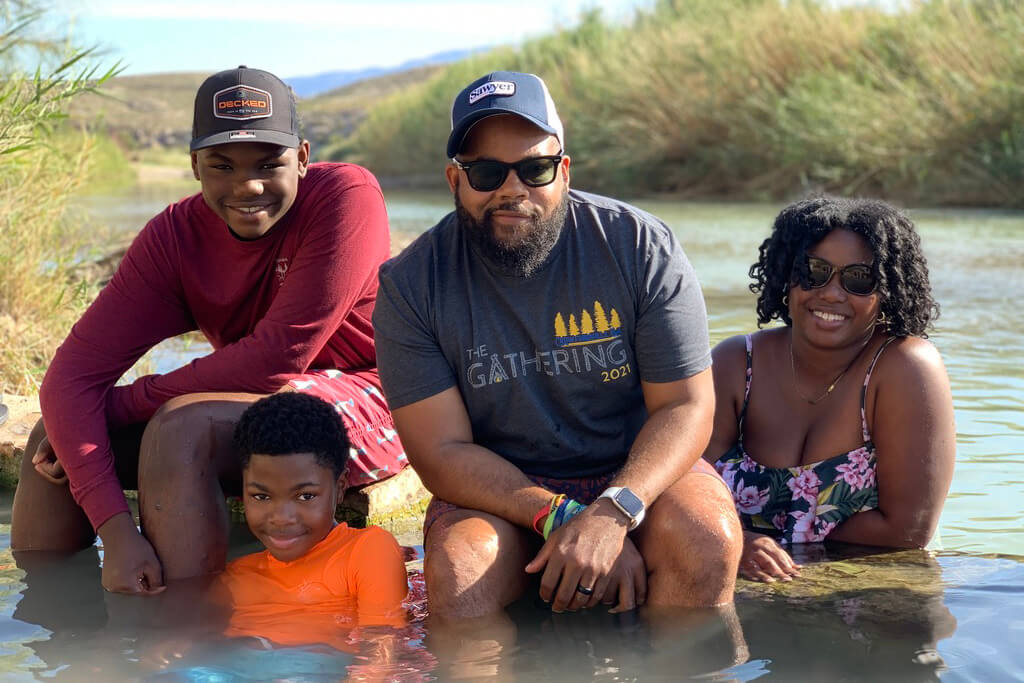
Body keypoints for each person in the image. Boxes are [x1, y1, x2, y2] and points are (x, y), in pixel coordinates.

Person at [11, 65, 406, 593]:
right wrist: (117, 531)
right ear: (195, 165)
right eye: (222, 165)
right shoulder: (174, 238)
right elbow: (70, 379)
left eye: (270, 163)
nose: (248, 186)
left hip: (374, 394)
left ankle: (189, 646)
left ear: (304, 158)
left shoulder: (345, 197)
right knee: (54, 435)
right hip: (247, 408)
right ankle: (54, 636)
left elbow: (272, 360)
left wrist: (116, 406)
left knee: (181, 428)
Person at [372, 71, 742, 619]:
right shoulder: (410, 285)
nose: (511, 189)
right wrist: (563, 517)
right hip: (503, 489)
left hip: (637, 471)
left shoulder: (640, 246)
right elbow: (441, 455)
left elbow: (686, 407)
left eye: (534, 168)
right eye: (487, 172)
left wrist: (613, 512)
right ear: (454, 180)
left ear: (563, 171)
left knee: (708, 541)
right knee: (459, 574)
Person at [703, 196, 956, 583]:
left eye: (858, 279)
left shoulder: (904, 368)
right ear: (787, 275)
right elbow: (682, 483)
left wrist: (743, 537)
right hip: (744, 584)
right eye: (814, 271)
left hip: (866, 596)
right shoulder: (736, 363)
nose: (832, 293)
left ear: (886, 290)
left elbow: (908, 532)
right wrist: (737, 541)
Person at [220, 392, 408, 647]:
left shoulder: (366, 551)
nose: (281, 518)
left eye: (305, 496)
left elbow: (381, 653)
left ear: (340, 488)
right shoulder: (236, 576)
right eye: (262, 496)